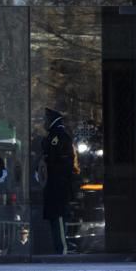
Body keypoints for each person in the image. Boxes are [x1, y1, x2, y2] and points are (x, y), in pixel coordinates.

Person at [40, 108, 78, 254]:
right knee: (54, 218)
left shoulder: (60, 137)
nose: (44, 123)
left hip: (59, 185)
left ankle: (63, 249)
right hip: (53, 185)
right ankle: (59, 247)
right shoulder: (53, 137)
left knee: (59, 217)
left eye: (46, 120)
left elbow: (59, 161)